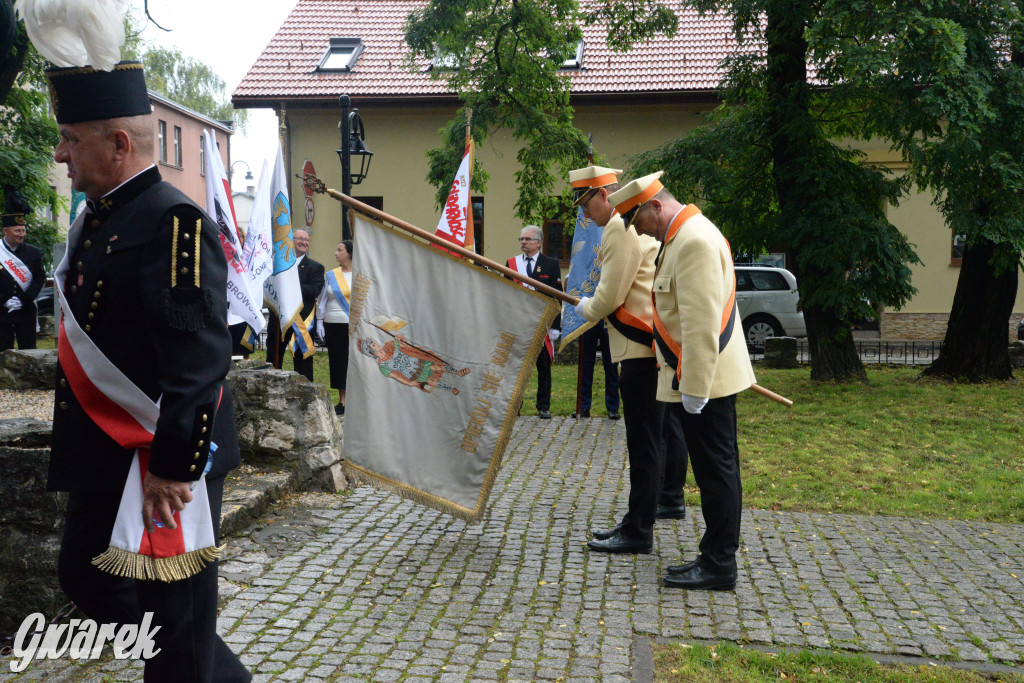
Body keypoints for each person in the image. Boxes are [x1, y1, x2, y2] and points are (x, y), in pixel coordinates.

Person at [46, 61, 251, 681]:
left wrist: (171, 466)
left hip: (166, 453)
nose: (60, 154)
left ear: (118, 142)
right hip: (106, 449)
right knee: (85, 572)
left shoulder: (174, 221)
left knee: (176, 618)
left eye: (71, 138)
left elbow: (198, 359)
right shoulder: (98, 219)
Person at [609, 171, 755, 591]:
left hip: (706, 382)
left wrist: (694, 389)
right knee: (715, 470)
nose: (639, 230)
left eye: (639, 221)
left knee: (717, 472)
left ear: (656, 206)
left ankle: (718, 563)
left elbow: (701, 324)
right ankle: (715, 556)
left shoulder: (692, 240)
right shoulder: (682, 236)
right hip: (701, 378)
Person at [569, 165, 687, 554]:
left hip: (640, 351)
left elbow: (610, 296)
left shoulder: (619, 228)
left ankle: (639, 530)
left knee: (644, 443)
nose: (584, 214)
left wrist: (583, 308)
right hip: (647, 349)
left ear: (606, 195)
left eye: (587, 203)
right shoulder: (618, 226)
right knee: (656, 439)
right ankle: (651, 510)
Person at [507, 225, 562, 418]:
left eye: (527, 239)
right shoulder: (511, 264)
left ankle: (543, 406)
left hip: (542, 325)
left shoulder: (551, 264)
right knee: (517, 368)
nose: (523, 242)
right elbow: (507, 295)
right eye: (521, 239)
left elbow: (557, 298)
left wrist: (555, 326)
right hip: (519, 324)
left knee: (544, 367)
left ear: (538, 242)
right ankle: (515, 406)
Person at [278, 228, 324, 381]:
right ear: (291, 240)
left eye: (307, 240)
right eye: (300, 239)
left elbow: (315, 290)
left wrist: (291, 284)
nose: (304, 242)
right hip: (279, 319)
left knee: (303, 361)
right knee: (274, 358)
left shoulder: (316, 267)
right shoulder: (278, 264)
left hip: (302, 319)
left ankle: (306, 394)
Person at [0, 200, 45, 351]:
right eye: (17, 231)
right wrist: (3, 300)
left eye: (23, 230)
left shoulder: (34, 253)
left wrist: (24, 300)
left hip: (25, 311)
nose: (22, 235)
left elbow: (39, 279)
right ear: (5, 231)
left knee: (29, 351)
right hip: (2, 311)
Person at [316, 240, 353, 415]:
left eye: (339, 250)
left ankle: (355, 400)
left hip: (353, 325)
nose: (335, 253)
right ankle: (342, 401)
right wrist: (319, 321)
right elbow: (322, 299)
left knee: (353, 363)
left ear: (350, 253)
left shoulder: (360, 274)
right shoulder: (331, 275)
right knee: (338, 362)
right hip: (333, 323)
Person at [575, 322, 620, 420]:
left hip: (607, 318)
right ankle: (583, 406)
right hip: (588, 319)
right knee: (585, 364)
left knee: (611, 366)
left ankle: (613, 407)